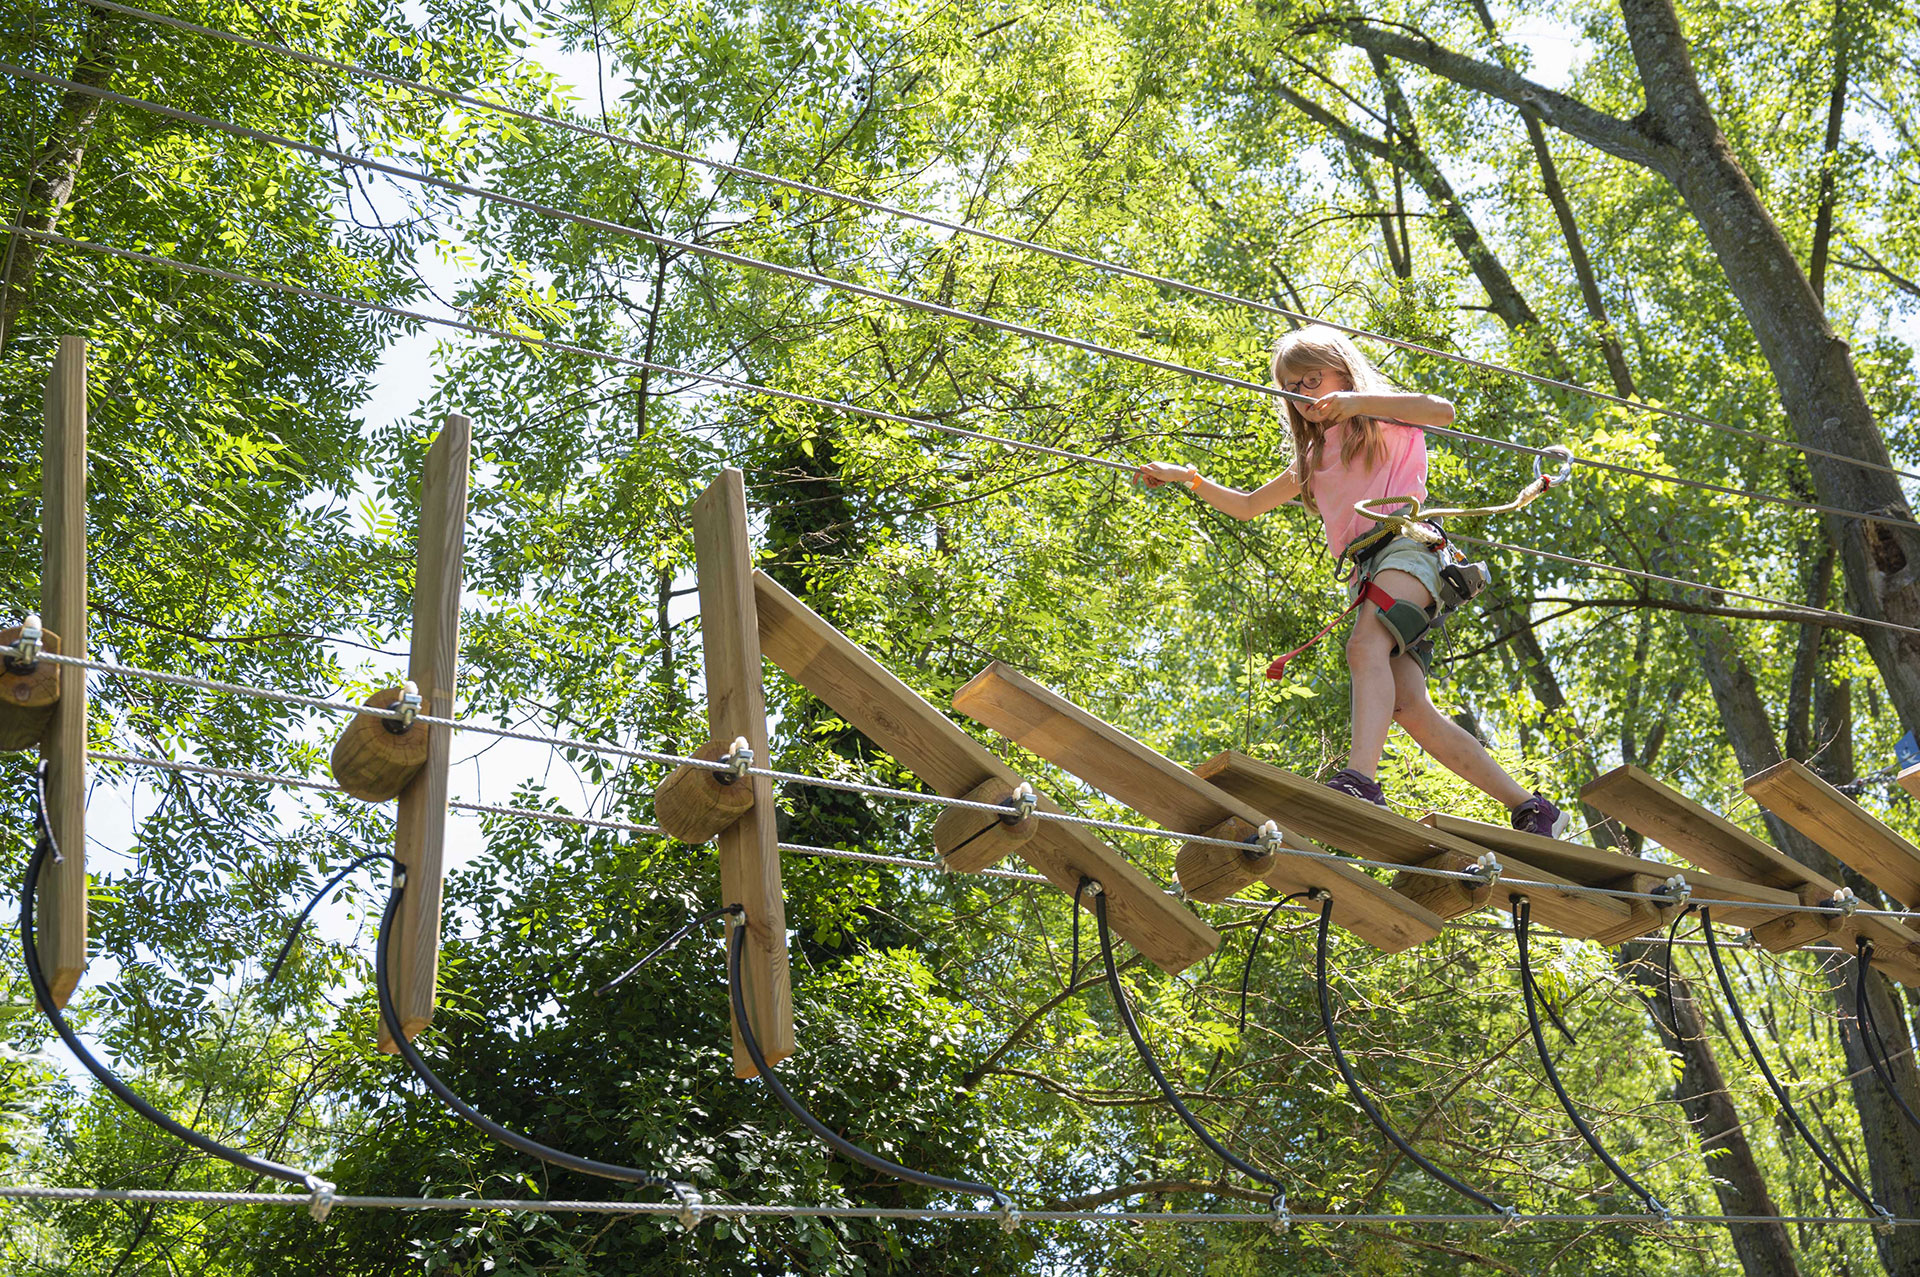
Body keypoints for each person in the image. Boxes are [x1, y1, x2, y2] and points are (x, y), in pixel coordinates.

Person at [1136, 324, 1566, 837]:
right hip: (1370, 571)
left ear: (1342, 372)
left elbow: (1443, 411)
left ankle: (1362, 779)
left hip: (1408, 548)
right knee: (1407, 705)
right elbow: (1249, 507)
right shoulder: (1314, 458)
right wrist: (1188, 477)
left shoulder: (1382, 417)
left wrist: (1357, 401)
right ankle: (1532, 809)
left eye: (1312, 380)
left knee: (1364, 648)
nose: (1303, 396)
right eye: (1292, 391)